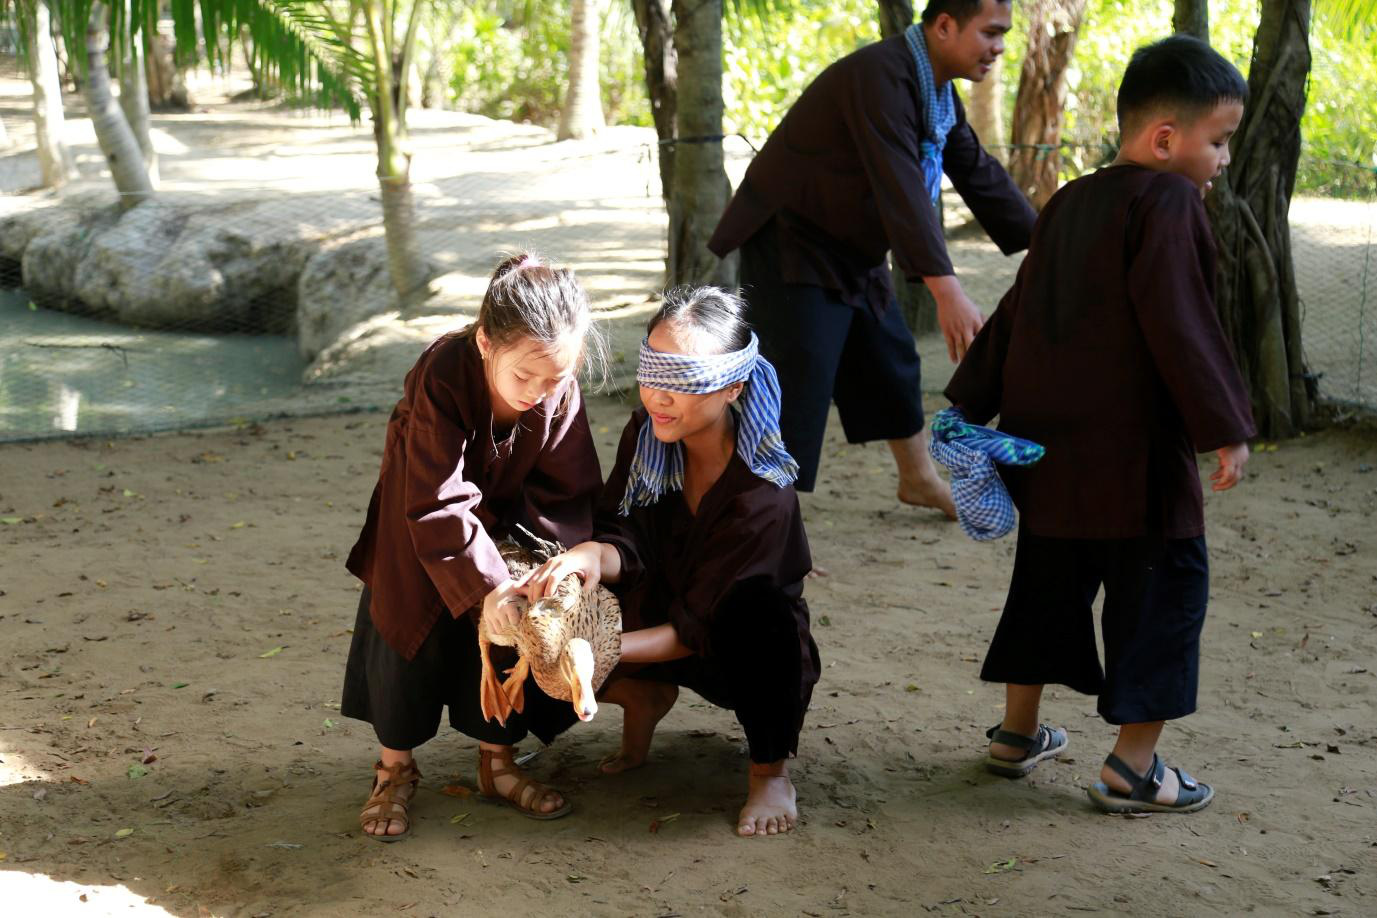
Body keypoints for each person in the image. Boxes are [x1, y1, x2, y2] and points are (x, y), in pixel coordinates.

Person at [943, 35, 1256, 814]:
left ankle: (1016, 735)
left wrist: (966, 402)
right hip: (1136, 461)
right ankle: (1133, 768)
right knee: (1163, 597)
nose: (1219, 160)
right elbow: (1180, 320)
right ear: (1163, 139)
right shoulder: (1169, 200)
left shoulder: (1070, 201)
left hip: (1049, 455)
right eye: (1216, 142)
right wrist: (1221, 423)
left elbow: (1019, 309)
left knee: (1046, 588)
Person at [708, 0, 1036, 512]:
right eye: (991, 33)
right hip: (794, 240)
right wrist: (944, 287)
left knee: (891, 363)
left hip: (852, 250)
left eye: (1004, 35)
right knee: (796, 384)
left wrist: (1051, 239)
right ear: (945, 26)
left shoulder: (937, 93)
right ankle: (766, 528)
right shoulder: (880, 77)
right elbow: (899, 183)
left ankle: (918, 480)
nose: (999, 47)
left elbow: (977, 170)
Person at [524, 287, 820, 837]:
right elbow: (624, 535)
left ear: (732, 387)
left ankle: (770, 772)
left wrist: (598, 650)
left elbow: (701, 623)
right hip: (655, 611)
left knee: (759, 615)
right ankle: (644, 695)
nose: (657, 395)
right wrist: (590, 555)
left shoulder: (762, 494)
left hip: (735, 652)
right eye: (651, 372)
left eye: (681, 380)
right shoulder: (648, 435)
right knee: (534, 620)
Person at [340, 253, 605, 839]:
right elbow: (436, 497)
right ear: (486, 343)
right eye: (523, 378)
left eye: (555, 379)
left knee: (513, 628)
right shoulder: (441, 372)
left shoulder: (559, 389)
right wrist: (484, 584)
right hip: (422, 527)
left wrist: (533, 569)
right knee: (408, 639)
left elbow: (568, 487)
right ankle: (394, 770)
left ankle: (497, 763)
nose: (538, 393)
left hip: (510, 533)